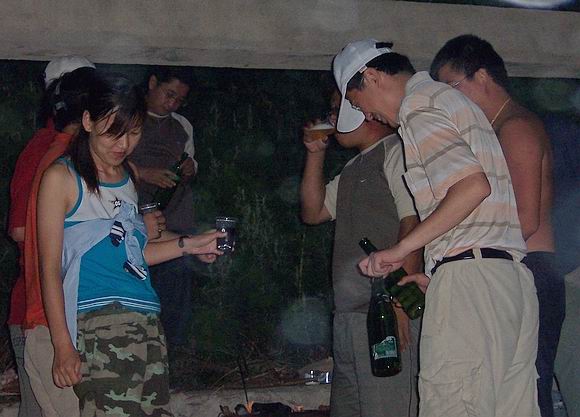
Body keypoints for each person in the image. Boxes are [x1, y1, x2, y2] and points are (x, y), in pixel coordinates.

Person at [333, 39, 539, 417]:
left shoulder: (419, 104)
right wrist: (439, 275)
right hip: (508, 282)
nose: (369, 116)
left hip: (473, 283)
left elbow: (472, 186)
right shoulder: (452, 102)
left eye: (359, 104)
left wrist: (399, 251)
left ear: (372, 76)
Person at [36, 73, 224, 416]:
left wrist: (192, 244)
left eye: (134, 133)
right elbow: (49, 269)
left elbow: (135, 253)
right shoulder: (61, 178)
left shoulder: (129, 176)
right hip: (98, 319)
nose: (123, 144)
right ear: (88, 121)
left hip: (146, 316)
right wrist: (63, 345)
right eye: (114, 131)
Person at [430, 34, 565, 417]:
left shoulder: (515, 126)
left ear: (482, 76)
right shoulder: (496, 129)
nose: (449, 100)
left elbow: (525, 218)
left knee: (527, 391)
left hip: (531, 269)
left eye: (453, 87)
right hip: (518, 270)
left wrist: (474, 262)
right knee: (510, 394)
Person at [300, 89, 421, 417]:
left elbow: (413, 224)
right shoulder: (354, 166)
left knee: (388, 408)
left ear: (363, 111)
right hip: (348, 316)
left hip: (383, 313)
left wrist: (400, 306)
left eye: (337, 108)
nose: (332, 117)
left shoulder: (396, 152)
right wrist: (315, 153)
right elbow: (313, 212)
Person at [8, 56, 95, 417]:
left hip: (66, 313)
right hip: (40, 311)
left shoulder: (84, 152)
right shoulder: (48, 148)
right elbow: (20, 229)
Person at [128, 67, 198, 348]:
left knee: (173, 297)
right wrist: (144, 173)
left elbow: (191, 162)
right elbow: (103, 164)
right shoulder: (127, 117)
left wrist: (190, 168)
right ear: (153, 83)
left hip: (174, 222)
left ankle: (170, 355)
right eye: (169, 95)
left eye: (179, 100)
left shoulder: (182, 126)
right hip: (133, 223)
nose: (172, 104)